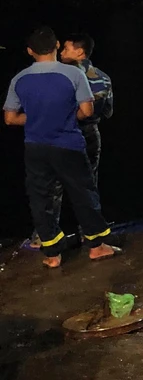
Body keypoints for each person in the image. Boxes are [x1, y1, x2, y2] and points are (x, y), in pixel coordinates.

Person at [3, 26, 120, 268]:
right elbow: (87, 110)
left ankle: (52, 254)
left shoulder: (19, 78)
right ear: (56, 46)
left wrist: (39, 118)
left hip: (35, 147)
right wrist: (62, 117)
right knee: (84, 193)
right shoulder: (73, 74)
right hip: (68, 144)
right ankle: (96, 246)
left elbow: (10, 118)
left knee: (41, 199)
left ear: (30, 51)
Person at [26, 32, 114, 249]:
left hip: (63, 134)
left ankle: (46, 237)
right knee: (86, 186)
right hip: (87, 133)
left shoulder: (60, 76)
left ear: (80, 52)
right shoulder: (101, 77)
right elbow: (108, 111)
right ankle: (91, 235)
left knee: (52, 187)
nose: (61, 52)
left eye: (66, 48)